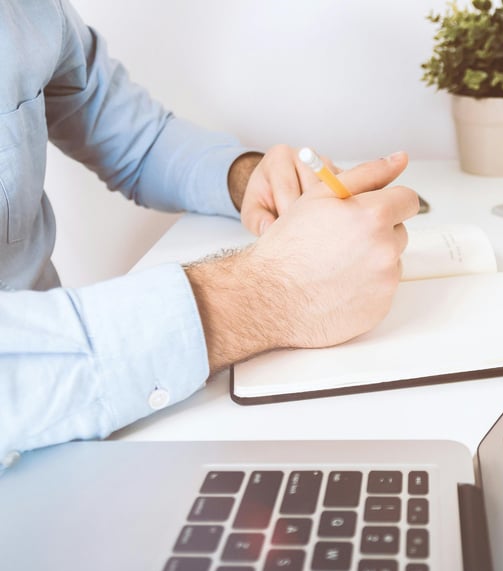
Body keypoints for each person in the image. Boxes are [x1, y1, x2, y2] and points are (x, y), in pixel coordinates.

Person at [0, 0, 418, 468]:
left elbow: (139, 141)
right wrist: (271, 291)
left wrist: (247, 178)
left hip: (85, 441)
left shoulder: (32, 11)